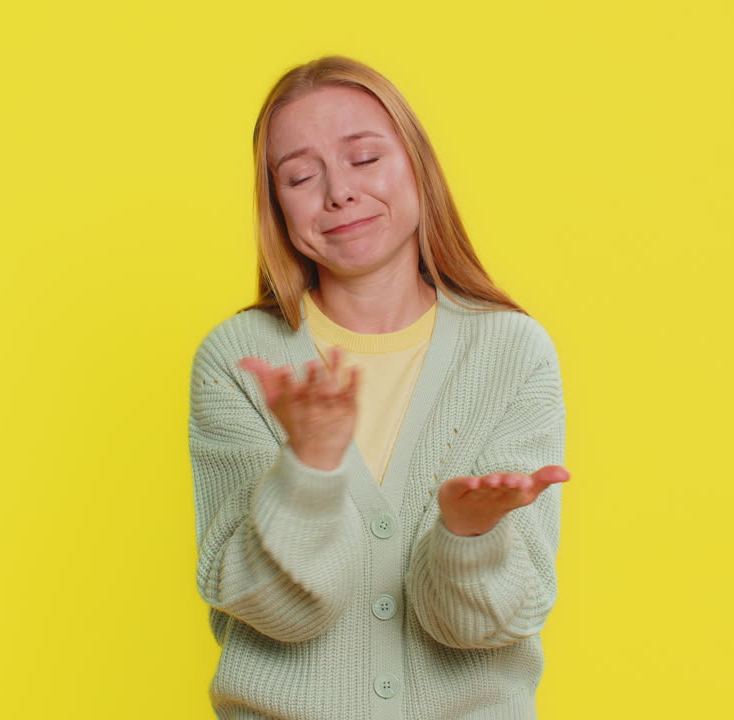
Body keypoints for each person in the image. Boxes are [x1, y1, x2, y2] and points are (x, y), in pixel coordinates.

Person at [188, 55, 570, 720]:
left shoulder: (513, 353)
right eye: (302, 176)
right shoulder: (239, 359)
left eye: (364, 158)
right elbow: (277, 611)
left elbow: (485, 626)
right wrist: (307, 468)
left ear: (417, 166)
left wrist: (469, 537)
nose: (338, 192)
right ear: (277, 204)